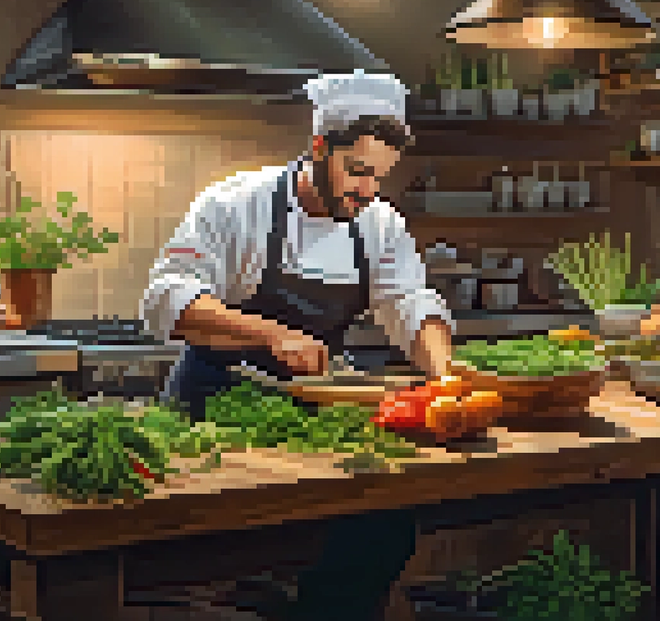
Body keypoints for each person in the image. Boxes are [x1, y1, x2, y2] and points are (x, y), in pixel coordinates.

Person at [142, 70, 454, 621]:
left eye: (379, 177)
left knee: (383, 524)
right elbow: (166, 300)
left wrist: (444, 378)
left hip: (312, 416)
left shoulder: (378, 224)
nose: (366, 190)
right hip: (214, 406)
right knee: (216, 557)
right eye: (356, 172)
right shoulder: (236, 203)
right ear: (317, 148)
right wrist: (272, 334)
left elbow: (411, 305)